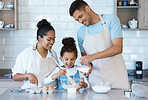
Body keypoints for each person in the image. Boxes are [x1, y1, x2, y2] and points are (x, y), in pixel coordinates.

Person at [69, 0, 130, 89]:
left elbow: (118, 48)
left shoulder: (111, 20)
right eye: (77, 20)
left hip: (117, 79)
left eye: (80, 16)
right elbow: (86, 58)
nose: (80, 21)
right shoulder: (81, 33)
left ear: (87, 8)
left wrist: (92, 56)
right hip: (96, 82)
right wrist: (88, 66)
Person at [12, 19, 58, 89]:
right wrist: (28, 75)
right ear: (40, 38)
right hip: (31, 93)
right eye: (49, 39)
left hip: (51, 93)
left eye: (54, 39)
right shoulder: (27, 54)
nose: (52, 42)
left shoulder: (53, 54)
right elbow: (15, 76)